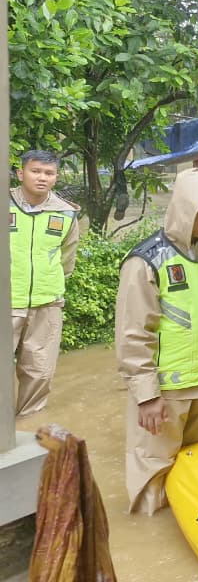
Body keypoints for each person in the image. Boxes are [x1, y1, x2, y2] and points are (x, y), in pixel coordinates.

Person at [115, 168, 198, 514]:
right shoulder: (146, 262)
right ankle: (150, 528)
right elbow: (133, 334)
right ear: (183, 208)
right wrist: (146, 396)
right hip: (165, 393)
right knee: (153, 470)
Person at [10, 150, 82, 418]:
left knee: (39, 372)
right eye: (35, 171)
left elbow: (67, 260)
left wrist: (48, 286)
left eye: (49, 173)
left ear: (56, 177)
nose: (42, 177)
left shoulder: (65, 213)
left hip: (47, 304)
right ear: (21, 174)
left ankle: (27, 430)